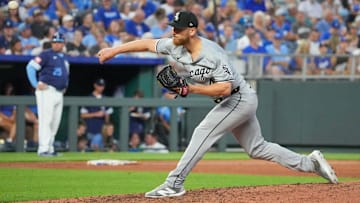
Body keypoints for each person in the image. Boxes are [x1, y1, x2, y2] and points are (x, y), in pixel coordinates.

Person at [97, 11, 338, 198]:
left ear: (192, 31)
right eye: (173, 27)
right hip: (232, 99)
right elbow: (148, 44)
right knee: (256, 148)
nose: (173, 31)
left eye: (178, 28)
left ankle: (174, 184)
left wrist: (189, 89)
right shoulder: (174, 44)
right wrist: (114, 50)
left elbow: (225, 88)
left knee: (203, 131)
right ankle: (311, 163)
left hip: (238, 98)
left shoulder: (212, 54)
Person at [25, 32, 69, 157]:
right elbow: (30, 67)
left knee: (55, 122)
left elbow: (66, 74)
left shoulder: (63, 57)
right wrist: (35, 84)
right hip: (47, 91)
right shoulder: (46, 54)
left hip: (59, 92)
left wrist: (65, 85)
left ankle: (49, 148)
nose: (57, 44)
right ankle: (43, 149)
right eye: (55, 42)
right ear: (51, 43)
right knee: (46, 120)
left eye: (59, 42)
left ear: (63, 43)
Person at [80, 78, 113, 151]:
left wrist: (106, 119)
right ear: (95, 85)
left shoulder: (105, 99)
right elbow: (82, 115)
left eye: (103, 86)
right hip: (90, 130)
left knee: (99, 149)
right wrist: (96, 114)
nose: (101, 87)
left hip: (101, 131)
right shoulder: (89, 98)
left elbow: (108, 117)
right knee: (92, 149)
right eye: (99, 85)